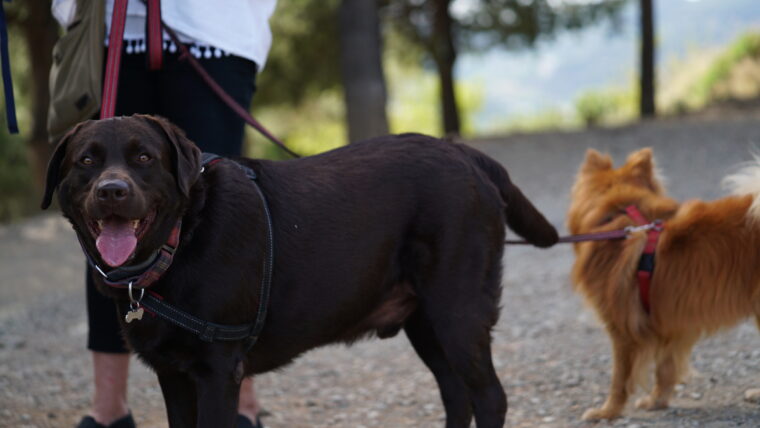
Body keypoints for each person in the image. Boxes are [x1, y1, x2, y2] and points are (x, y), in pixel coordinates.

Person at [50, 1, 277, 427]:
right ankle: (109, 409)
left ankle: (239, 401)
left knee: (221, 218)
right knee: (104, 214)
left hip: (212, 28)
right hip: (106, 31)